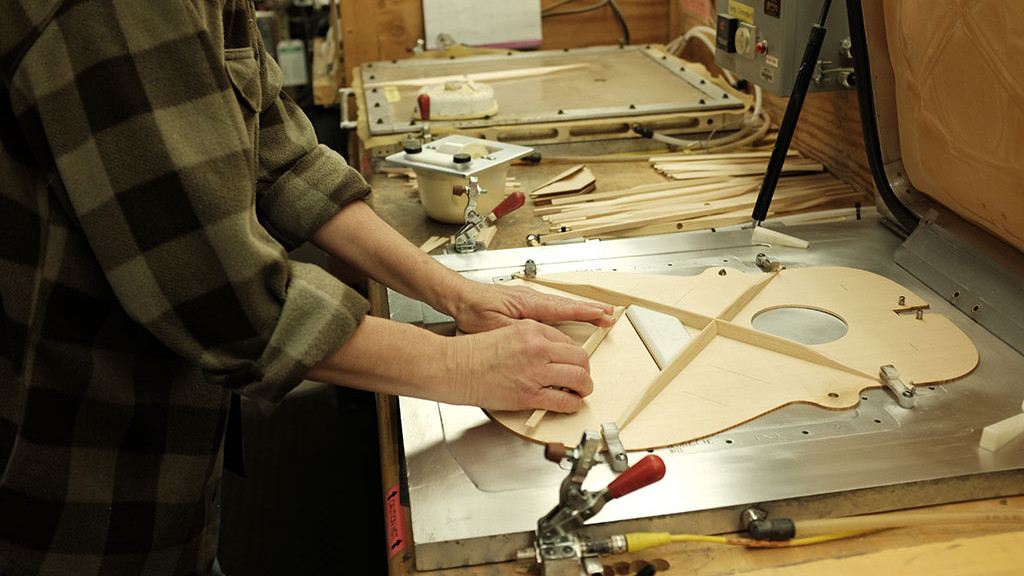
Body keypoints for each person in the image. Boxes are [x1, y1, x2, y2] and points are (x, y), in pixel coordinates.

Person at [0, 1, 614, 575]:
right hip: (79, 472)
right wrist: (459, 363)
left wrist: (456, 294)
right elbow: (225, 298)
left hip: (174, 448)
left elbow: (281, 152)